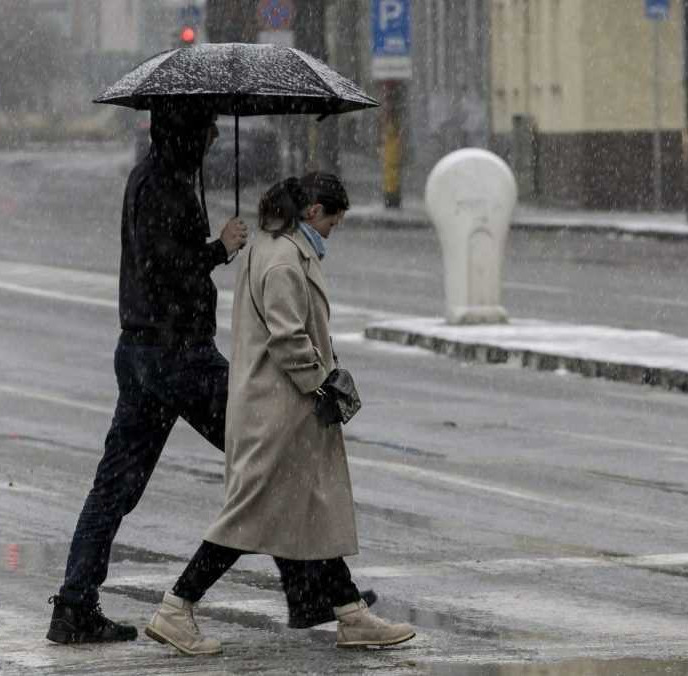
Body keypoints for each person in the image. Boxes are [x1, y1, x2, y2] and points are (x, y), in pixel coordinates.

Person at [45, 108, 372, 644]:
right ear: (185, 136)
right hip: (178, 355)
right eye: (207, 135)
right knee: (275, 459)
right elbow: (164, 266)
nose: (213, 144)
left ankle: (75, 603)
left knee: (120, 487)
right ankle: (317, 592)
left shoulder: (154, 178)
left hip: (143, 351)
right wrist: (219, 248)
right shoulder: (162, 187)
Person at [144, 175, 416, 655]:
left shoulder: (270, 248)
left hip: (278, 409)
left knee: (312, 509)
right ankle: (176, 606)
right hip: (279, 411)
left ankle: (351, 614)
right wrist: (324, 384)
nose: (333, 229)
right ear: (312, 211)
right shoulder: (285, 260)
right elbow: (288, 338)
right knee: (247, 520)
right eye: (333, 219)